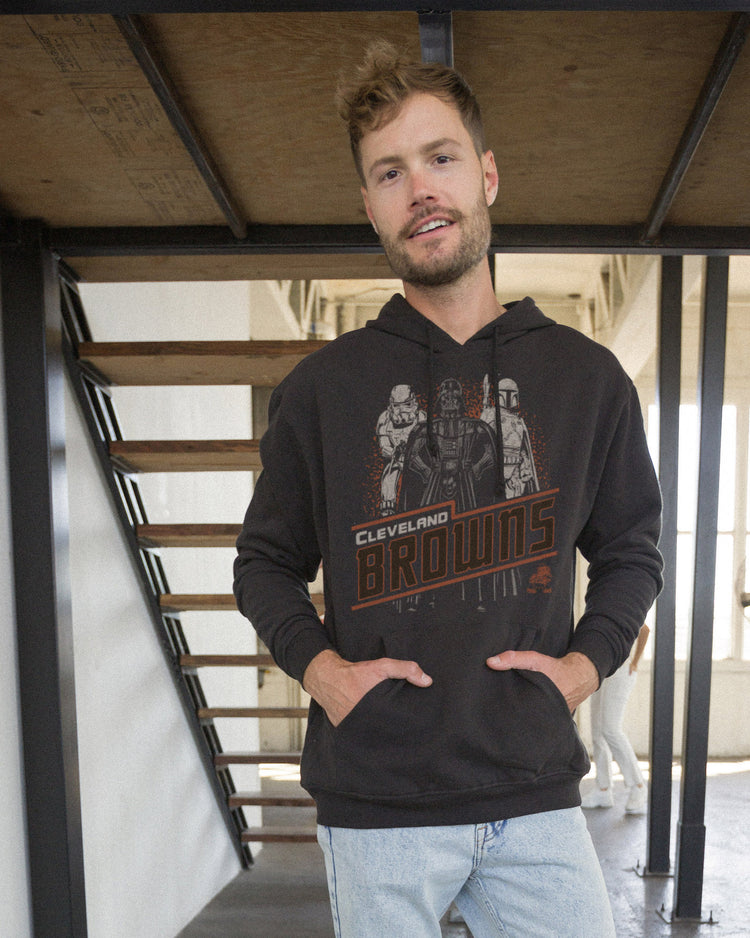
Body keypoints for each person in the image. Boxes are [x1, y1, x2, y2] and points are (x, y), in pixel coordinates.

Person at [233, 41, 663, 938]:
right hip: (377, 800)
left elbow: (632, 551)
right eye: (390, 173)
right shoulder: (323, 391)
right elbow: (265, 563)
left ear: (487, 175)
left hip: (534, 791)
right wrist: (324, 675)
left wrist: (584, 668)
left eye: (440, 158)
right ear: (369, 207)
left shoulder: (587, 381)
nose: (420, 189)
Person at [582, 623, 651, 814]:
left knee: (610, 729)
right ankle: (603, 790)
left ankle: (638, 786)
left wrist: (635, 662)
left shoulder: (623, 605)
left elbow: (644, 629)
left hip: (622, 671)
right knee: (597, 732)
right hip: (601, 670)